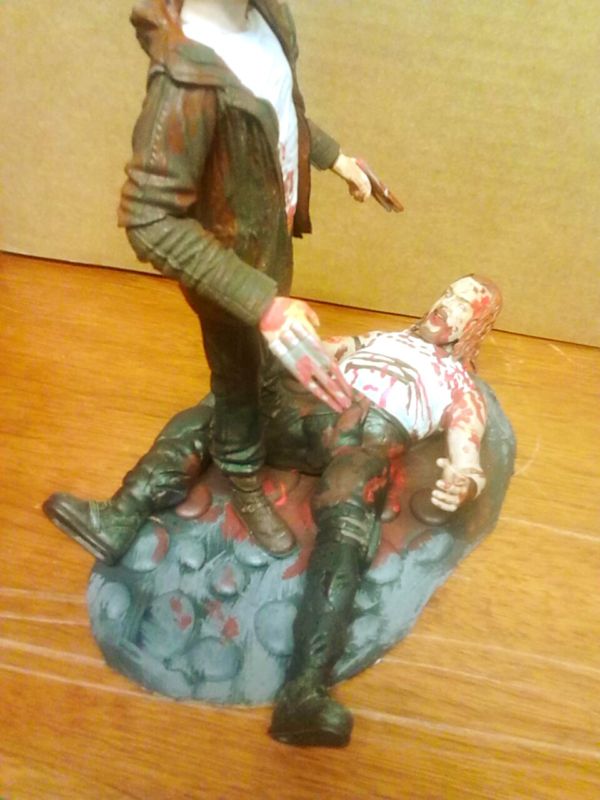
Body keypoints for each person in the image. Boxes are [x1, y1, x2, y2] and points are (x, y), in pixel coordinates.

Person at [43, 274, 502, 744]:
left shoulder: (459, 386)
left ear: (476, 325)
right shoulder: (380, 338)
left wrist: (462, 481)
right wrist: (286, 341)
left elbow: (466, 449)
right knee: (223, 415)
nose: (447, 304)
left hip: (368, 438)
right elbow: (322, 350)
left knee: (350, 514)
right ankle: (120, 517)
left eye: (463, 303)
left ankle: (305, 689)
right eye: (448, 293)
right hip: (310, 409)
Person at [115, 0, 373, 556]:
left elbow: (280, 112)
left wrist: (337, 159)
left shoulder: (268, 16)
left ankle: (278, 432)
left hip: (268, 238)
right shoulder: (185, 77)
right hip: (224, 272)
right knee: (235, 384)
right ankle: (244, 479)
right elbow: (148, 219)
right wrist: (261, 304)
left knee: (268, 365)